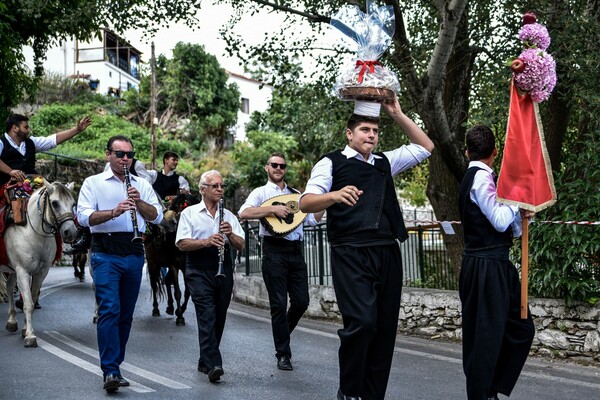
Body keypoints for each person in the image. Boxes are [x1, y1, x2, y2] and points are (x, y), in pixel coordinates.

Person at [299, 97, 434, 400]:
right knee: (361, 322)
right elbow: (306, 203)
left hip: (387, 252)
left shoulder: (385, 161)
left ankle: (373, 395)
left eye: (375, 130)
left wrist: (397, 112)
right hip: (350, 252)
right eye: (365, 129)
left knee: (384, 331)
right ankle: (349, 390)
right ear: (349, 134)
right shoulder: (330, 162)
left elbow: (426, 146)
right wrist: (334, 195)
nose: (371, 135)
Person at [76, 135, 163, 393]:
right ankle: (110, 370)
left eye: (129, 154)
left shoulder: (141, 185)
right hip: (105, 251)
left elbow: (157, 216)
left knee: (125, 314)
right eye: (120, 154)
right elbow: (83, 217)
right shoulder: (93, 183)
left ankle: (116, 364)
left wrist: (139, 203)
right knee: (110, 309)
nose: (126, 158)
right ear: (108, 155)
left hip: (134, 252)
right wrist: (114, 211)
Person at [458, 125, 535, 400]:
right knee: (485, 339)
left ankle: (489, 388)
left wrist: (521, 213)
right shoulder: (480, 178)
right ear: (496, 151)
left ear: (467, 151)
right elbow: (500, 220)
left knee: (521, 328)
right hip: (485, 266)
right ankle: (483, 394)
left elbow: (509, 228)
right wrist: (516, 197)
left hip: (497, 265)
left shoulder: (485, 178)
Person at [238, 152, 324, 371]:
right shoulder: (261, 192)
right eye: (274, 165)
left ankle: (281, 333)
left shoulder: (297, 195)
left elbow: (313, 221)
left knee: (302, 302)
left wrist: (325, 199)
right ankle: (283, 354)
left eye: (282, 166)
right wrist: (272, 209)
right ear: (267, 167)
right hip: (274, 252)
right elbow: (244, 212)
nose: (278, 169)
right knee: (278, 305)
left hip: (296, 252)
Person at [175, 170, 244, 383]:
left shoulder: (229, 215)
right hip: (199, 268)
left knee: (220, 317)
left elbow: (241, 244)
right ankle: (214, 363)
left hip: (223, 269)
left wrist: (230, 234)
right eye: (215, 186)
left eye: (221, 186)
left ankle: (205, 358)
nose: (220, 190)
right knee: (207, 315)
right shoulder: (190, 214)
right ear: (203, 189)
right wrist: (207, 241)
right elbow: (182, 243)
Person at [0, 113, 92, 187]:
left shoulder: (31, 142)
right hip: (8, 186)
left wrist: (77, 130)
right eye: (26, 127)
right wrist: (10, 171)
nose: (29, 130)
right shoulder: (1, 143)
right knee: (17, 200)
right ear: (15, 128)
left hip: (33, 183)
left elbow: (53, 140)